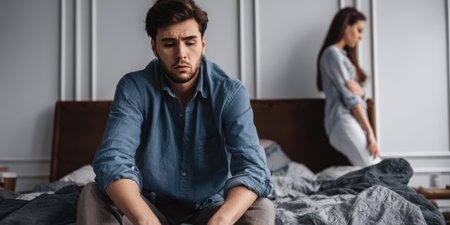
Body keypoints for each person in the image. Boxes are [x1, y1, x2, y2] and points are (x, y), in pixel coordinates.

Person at [76, 0, 274, 225]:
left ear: (203, 43)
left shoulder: (230, 92)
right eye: (169, 43)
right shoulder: (134, 88)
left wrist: (222, 220)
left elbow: (253, 168)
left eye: (190, 42)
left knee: (261, 208)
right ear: (154, 47)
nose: (181, 54)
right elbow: (112, 159)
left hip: (212, 207)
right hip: (150, 204)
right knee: (93, 194)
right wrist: (146, 221)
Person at [317, 7, 381, 167]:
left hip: (350, 121)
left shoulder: (342, 56)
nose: (360, 37)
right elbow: (351, 97)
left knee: (374, 168)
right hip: (342, 121)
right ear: (346, 26)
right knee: (375, 168)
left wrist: (362, 92)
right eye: (359, 30)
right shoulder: (332, 53)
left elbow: (356, 94)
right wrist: (370, 131)